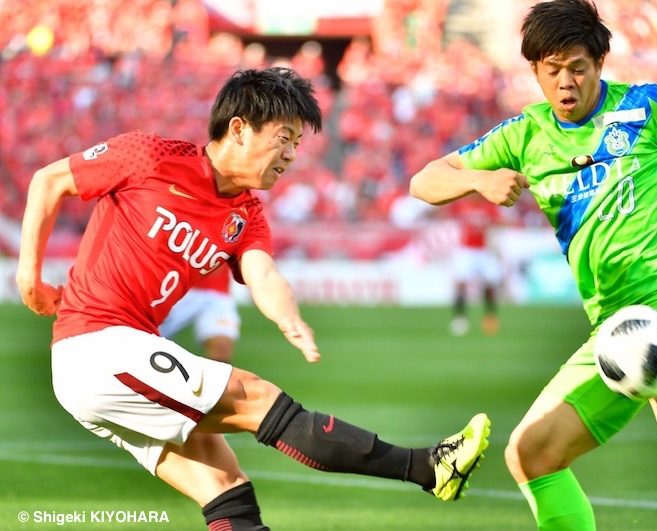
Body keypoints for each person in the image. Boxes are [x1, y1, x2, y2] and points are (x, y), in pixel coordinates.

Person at [16, 67, 490, 531]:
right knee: (258, 399)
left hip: (120, 358)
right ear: (239, 129)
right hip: (96, 347)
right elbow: (50, 180)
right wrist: (30, 280)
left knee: (227, 491)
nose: (290, 156)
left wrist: (289, 317)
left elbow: (262, 273)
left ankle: (427, 470)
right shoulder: (150, 156)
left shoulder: (246, 214)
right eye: (283, 138)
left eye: (297, 145)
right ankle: (427, 468)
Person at [410, 1, 657, 529]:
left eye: (577, 67)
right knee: (529, 455)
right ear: (535, 72)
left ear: (600, 63)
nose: (565, 82)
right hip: (610, 321)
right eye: (553, 71)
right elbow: (425, 180)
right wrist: (475, 179)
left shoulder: (646, 107)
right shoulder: (524, 136)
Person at [447, 193, 504, 337]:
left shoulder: (488, 206)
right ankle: (460, 318)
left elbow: (498, 221)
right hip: (466, 250)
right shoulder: (461, 205)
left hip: (483, 250)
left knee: (490, 284)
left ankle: (490, 317)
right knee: (460, 284)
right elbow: (446, 212)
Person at [160, 264, 240, 363]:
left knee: (221, 347)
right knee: (149, 339)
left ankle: (213, 378)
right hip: (176, 288)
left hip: (218, 293)